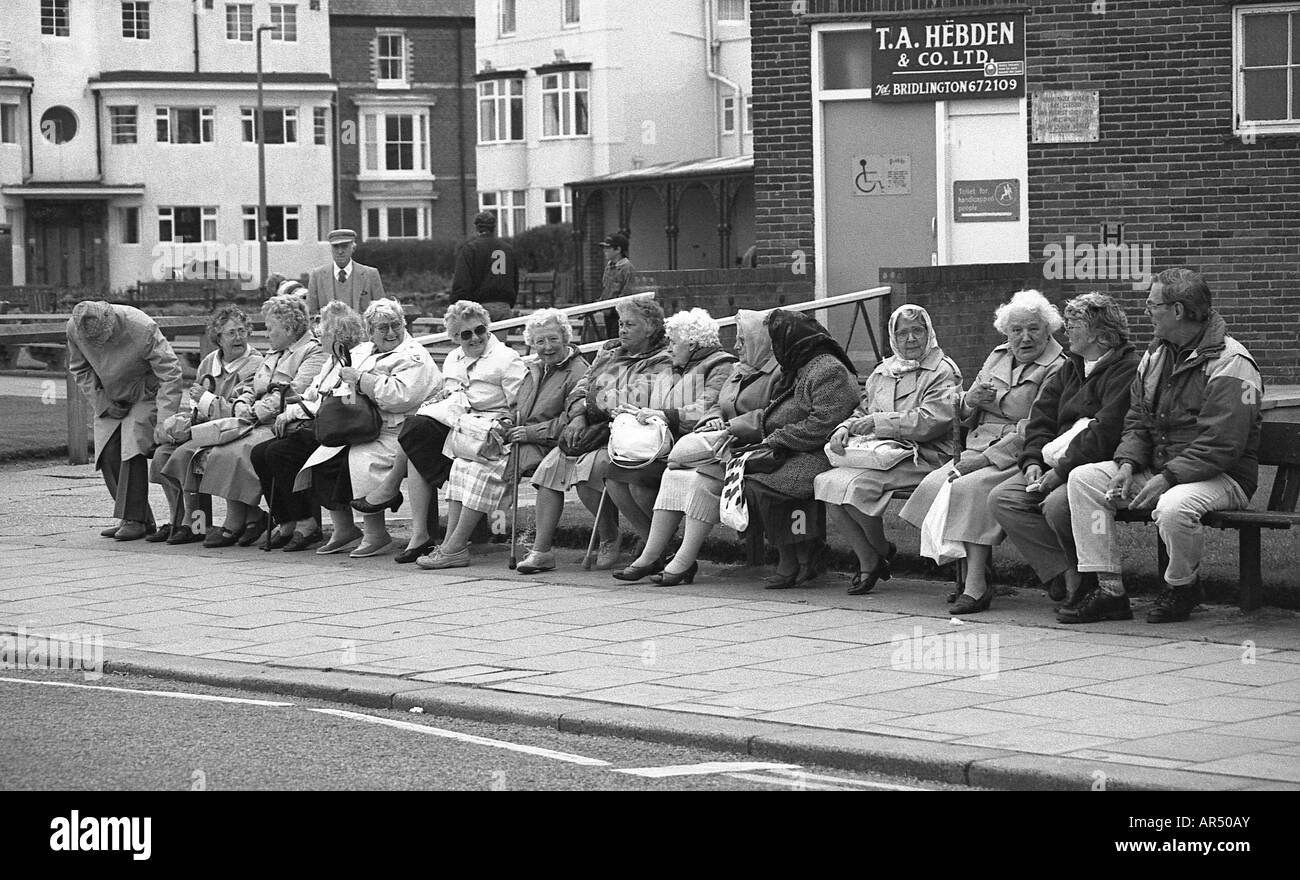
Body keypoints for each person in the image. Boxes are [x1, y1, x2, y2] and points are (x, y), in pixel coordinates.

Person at [1061, 268, 1263, 624]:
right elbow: (1138, 419)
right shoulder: (1156, 358)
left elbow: (1222, 444)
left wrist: (1167, 477)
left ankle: (1182, 587)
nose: (1146, 311)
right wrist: (1126, 464)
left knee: (1172, 507)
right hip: (1164, 468)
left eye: (1152, 304)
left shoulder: (1232, 363)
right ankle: (1109, 591)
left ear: (1179, 311)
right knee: (1085, 479)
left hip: (1224, 477)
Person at [898, 290, 1065, 613]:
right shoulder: (997, 356)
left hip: (1019, 453)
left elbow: (1037, 427)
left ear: (1049, 330)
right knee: (933, 486)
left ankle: (976, 584)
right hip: (976, 445)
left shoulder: (1057, 367)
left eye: (1033, 329)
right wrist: (970, 400)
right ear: (1006, 333)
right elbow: (962, 408)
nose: (1025, 337)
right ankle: (966, 571)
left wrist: (984, 460)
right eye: (1016, 330)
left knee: (969, 489)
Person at [989, 292, 1140, 612]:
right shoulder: (1072, 367)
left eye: (1074, 325)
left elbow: (1106, 433)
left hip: (1095, 466)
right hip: (1055, 462)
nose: (1066, 330)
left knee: (1058, 506)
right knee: (1003, 499)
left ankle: (1092, 583)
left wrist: (1059, 473)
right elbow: (1041, 419)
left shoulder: (1127, 370)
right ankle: (1067, 572)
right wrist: (1031, 461)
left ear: (1099, 335)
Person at [617, 308, 781, 586]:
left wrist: (726, 426)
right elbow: (716, 405)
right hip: (719, 442)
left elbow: (770, 415)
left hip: (748, 446)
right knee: (668, 474)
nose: (737, 345)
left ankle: (681, 561)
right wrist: (714, 419)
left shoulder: (752, 370)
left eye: (743, 339)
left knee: (696, 477)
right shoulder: (740, 369)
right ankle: (653, 554)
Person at [817, 304, 961, 595]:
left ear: (928, 332)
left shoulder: (942, 371)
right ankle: (869, 555)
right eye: (903, 332)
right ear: (893, 337)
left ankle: (880, 550)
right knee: (825, 482)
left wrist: (878, 423)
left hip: (927, 455)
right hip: (883, 453)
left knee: (856, 488)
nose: (910, 339)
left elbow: (932, 422)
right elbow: (863, 410)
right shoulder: (884, 371)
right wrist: (846, 427)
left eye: (917, 331)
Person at [528, 296, 674, 571]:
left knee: (586, 472)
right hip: (595, 430)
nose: (622, 330)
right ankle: (541, 550)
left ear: (651, 327)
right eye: (620, 323)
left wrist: (596, 404)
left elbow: (637, 399)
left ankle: (616, 538)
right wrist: (580, 415)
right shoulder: (609, 352)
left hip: (632, 437)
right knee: (550, 467)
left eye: (630, 324)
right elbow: (580, 389)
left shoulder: (662, 359)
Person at [293, 299, 440, 558]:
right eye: (383, 328)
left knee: (357, 459)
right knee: (324, 458)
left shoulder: (413, 355)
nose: (391, 333)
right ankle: (345, 529)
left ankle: (376, 534)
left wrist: (361, 380)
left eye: (396, 325)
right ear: (370, 331)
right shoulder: (365, 351)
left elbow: (400, 396)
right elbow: (343, 388)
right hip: (367, 427)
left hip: (400, 431)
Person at [609, 308, 737, 581]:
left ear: (692, 344)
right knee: (615, 478)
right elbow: (653, 404)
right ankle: (663, 551)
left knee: (640, 484)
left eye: (673, 341)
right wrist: (635, 412)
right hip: (662, 443)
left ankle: (662, 554)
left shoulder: (720, 366)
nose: (668, 347)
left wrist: (664, 416)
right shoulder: (673, 365)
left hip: (691, 446)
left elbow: (706, 409)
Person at [738, 310, 860, 589]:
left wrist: (779, 438)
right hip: (799, 448)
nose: (772, 346)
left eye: (775, 339)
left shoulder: (827, 369)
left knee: (766, 485)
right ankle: (800, 554)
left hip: (825, 452)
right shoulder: (800, 365)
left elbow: (824, 424)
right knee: (752, 480)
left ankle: (795, 558)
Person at [194, 294, 327, 548]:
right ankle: (278, 520)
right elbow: (251, 386)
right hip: (257, 419)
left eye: (270, 328)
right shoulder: (274, 352)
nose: (266, 335)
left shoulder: (313, 352)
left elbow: (289, 393)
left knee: (237, 452)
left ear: (288, 328)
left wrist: (253, 412)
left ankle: (247, 521)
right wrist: (243, 403)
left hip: (283, 422)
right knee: (225, 450)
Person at [408, 300, 526, 569]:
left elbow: (520, 404)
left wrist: (504, 425)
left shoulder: (506, 358)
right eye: (466, 334)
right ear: (455, 338)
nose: (475, 337)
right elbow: (449, 394)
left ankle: (453, 547)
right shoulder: (453, 358)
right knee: (459, 467)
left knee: (476, 470)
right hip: (465, 433)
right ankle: (451, 545)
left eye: (480, 330)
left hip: (497, 433)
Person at [66, 301, 183, 541]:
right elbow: (80, 369)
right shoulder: (74, 328)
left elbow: (170, 371)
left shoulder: (141, 326)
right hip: (109, 395)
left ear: (111, 322)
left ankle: (134, 520)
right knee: (108, 452)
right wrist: (103, 403)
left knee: (131, 448)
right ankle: (138, 518)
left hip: (145, 393)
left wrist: (164, 420)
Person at [250, 303, 361, 552]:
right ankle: (286, 521)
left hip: (337, 430)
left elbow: (336, 402)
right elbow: (312, 393)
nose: (318, 335)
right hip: (320, 424)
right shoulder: (331, 361)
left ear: (337, 336)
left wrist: (291, 412)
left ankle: (307, 523)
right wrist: (294, 409)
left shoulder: (349, 360)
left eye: (323, 332)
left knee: (278, 452)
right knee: (260, 453)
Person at [151, 305, 263, 545]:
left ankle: (199, 524)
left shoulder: (255, 364)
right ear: (218, 338)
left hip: (236, 432)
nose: (239, 338)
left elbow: (240, 411)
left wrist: (205, 401)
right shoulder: (209, 363)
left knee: (186, 456)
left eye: (243, 331)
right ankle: (181, 520)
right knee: (162, 455)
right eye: (231, 333)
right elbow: (196, 404)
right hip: (207, 430)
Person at [508, 310, 592, 574]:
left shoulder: (579, 371)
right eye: (540, 342)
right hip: (528, 440)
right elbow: (516, 407)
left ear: (566, 337)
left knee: (545, 472)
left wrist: (532, 433)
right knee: (473, 461)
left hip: (559, 443)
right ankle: (459, 542)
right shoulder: (534, 367)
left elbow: (573, 420)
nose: (547, 347)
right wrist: (507, 422)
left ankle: (540, 551)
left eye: (553, 339)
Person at [450, 211, 518, 324]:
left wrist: (457, 304)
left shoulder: (470, 249)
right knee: (499, 342)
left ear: (477, 228)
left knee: (479, 341)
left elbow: (462, 281)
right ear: (494, 227)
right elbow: (514, 279)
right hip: (503, 305)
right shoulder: (507, 249)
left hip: (479, 307)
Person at [306, 228, 386, 316]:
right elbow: (311, 314)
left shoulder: (370, 275)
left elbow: (382, 313)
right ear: (331, 249)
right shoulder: (317, 276)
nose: (340, 251)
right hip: (328, 329)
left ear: (353, 248)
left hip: (362, 329)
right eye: (335, 247)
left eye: (344, 246)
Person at [593, 232, 633, 340]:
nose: (605, 251)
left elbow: (627, 291)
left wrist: (615, 307)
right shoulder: (609, 266)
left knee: (617, 340)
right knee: (610, 339)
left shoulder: (626, 268)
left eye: (608, 248)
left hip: (619, 313)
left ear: (618, 249)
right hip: (607, 311)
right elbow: (606, 288)